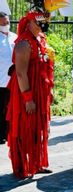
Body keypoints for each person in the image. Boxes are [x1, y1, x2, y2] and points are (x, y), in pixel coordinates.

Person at [6, 0, 68, 178]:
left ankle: (37, 163)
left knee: (39, 129)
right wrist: (28, 99)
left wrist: (49, 91)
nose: (43, 25)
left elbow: (45, 68)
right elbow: (20, 74)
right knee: (24, 129)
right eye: (40, 22)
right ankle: (22, 166)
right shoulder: (23, 44)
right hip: (27, 94)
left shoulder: (41, 40)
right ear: (30, 22)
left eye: (45, 22)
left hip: (41, 94)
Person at [0, 12, 17, 144]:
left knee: (11, 108)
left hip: (14, 81)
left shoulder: (14, 37)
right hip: (0, 80)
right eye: (3, 23)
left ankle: (8, 133)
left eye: (7, 22)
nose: (6, 25)